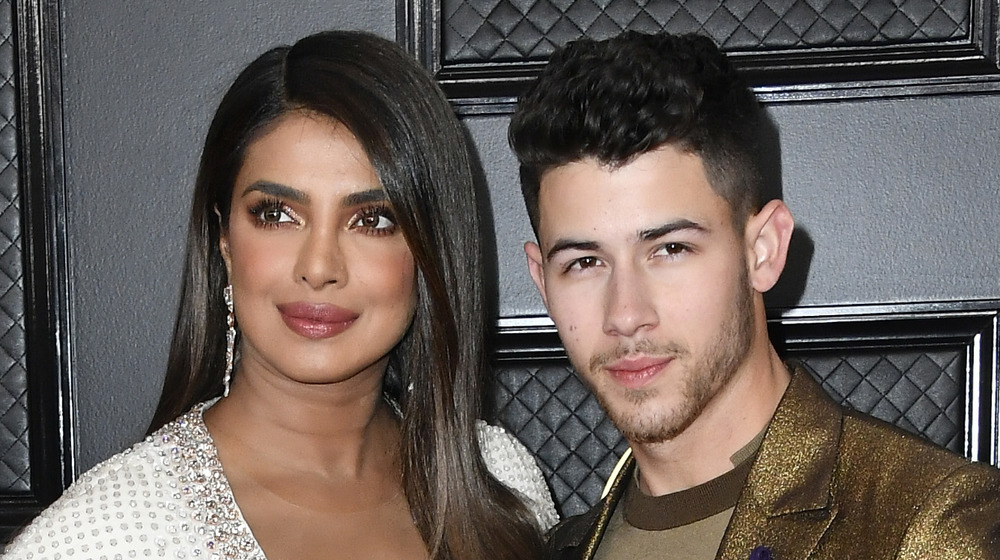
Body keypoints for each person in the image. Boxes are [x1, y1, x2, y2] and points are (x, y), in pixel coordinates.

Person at [5, 30, 557, 559]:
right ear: (223, 238)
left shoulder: (503, 479)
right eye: (276, 214)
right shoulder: (103, 537)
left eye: (372, 220)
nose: (318, 268)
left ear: (430, 251)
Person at [508, 30, 1000, 560]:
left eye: (671, 249)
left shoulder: (927, 524)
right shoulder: (556, 549)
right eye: (584, 263)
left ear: (763, 251)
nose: (626, 315)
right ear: (542, 280)